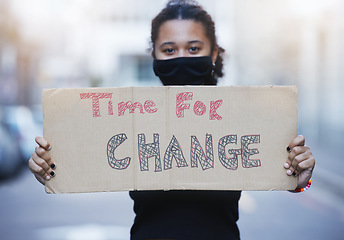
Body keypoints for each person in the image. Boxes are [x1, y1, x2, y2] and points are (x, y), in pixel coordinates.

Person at [28, 0, 315, 239]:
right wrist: (52, 168)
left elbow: (286, 175)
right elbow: (81, 161)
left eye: (193, 49)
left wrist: (301, 180)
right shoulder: (129, 118)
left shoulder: (241, 116)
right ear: (153, 54)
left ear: (213, 53)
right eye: (169, 50)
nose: (181, 57)